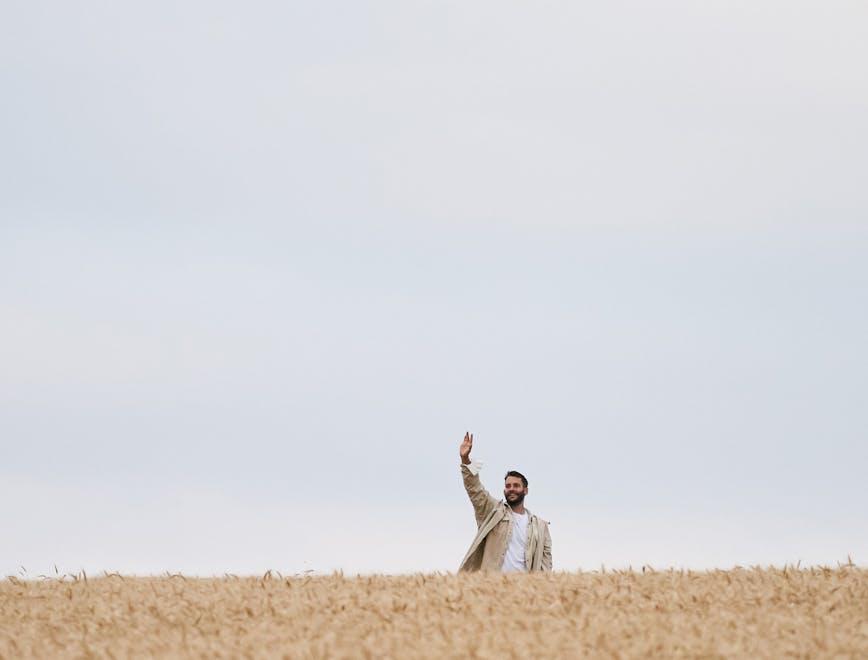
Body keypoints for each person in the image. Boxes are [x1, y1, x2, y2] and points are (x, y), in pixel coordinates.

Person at [457, 432, 553, 573]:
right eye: (508, 486)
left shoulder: (540, 526)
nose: (511, 489)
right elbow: (475, 490)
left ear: (525, 490)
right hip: (491, 586)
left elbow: (546, 565)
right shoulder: (493, 511)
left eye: (516, 486)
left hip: (523, 590)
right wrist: (465, 460)